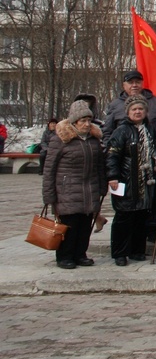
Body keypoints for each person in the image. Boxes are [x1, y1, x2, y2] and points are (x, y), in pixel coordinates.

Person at [42, 100, 106, 269]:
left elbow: (99, 166)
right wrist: (49, 195)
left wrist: (102, 187)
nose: (86, 124)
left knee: (85, 225)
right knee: (69, 226)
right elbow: (49, 169)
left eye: (88, 120)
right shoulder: (60, 140)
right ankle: (64, 256)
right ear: (74, 122)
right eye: (82, 121)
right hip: (67, 190)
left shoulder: (93, 140)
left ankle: (80, 254)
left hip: (89, 189)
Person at [104, 95, 156, 266]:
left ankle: (137, 250)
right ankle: (120, 252)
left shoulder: (148, 129)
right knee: (124, 217)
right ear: (128, 112)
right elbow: (112, 155)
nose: (137, 111)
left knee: (141, 216)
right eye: (134, 109)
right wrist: (112, 176)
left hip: (145, 180)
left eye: (140, 109)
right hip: (126, 180)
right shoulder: (121, 131)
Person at [102, 69, 156, 145]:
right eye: (130, 82)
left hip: (151, 150)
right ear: (124, 85)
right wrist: (109, 151)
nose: (134, 85)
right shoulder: (115, 105)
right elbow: (107, 132)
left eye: (137, 82)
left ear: (142, 84)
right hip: (124, 153)